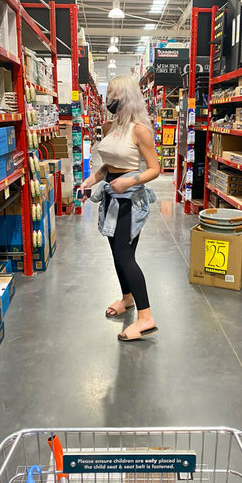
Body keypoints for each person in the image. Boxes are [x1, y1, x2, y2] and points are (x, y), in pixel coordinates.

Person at [80, 75, 160, 342]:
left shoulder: (140, 130)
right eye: (108, 95)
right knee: (116, 254)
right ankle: (127, 299)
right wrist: (91, 180)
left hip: (130, 201)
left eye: (113, 95)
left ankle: (146, 317)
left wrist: (130, 180)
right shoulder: (109, 126)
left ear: (127, 97)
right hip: (110, 197)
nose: (108, 100)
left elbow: (154, 169)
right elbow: (108, 165)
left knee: (125, 256)